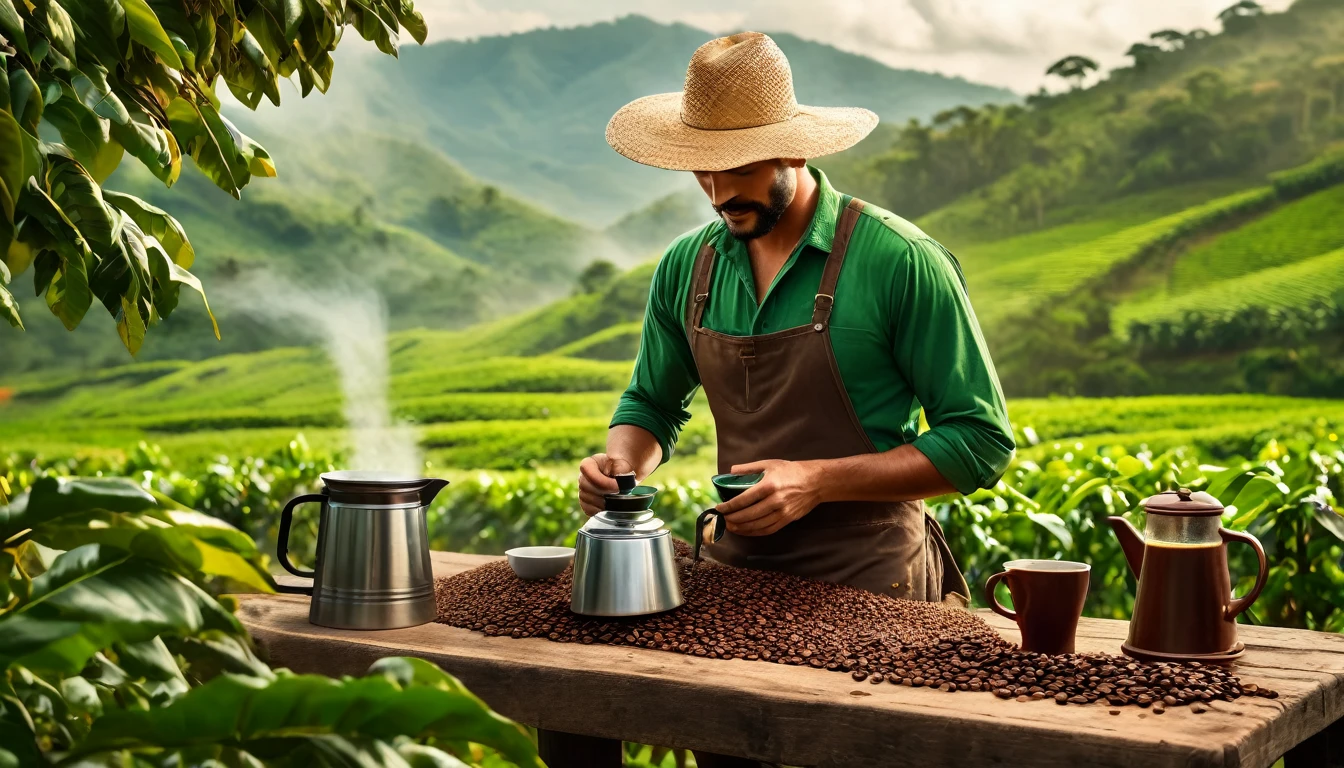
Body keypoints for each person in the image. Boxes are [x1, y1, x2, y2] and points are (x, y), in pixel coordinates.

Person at [570, 31, 1015, 768]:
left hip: (873, 590)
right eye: (700, 172)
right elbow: (652, 400)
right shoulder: (690, 265)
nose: (717, 193)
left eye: (736, 170)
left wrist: (816, 481)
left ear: (794, 150)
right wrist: (621, 463)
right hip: (735, 589)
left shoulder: (900, 262)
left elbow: (978, 442)